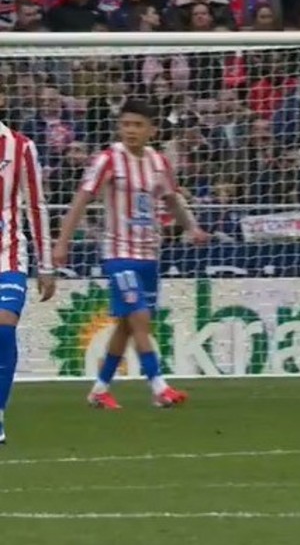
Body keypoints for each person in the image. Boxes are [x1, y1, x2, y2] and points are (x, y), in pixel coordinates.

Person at [52, 99, 204, 410]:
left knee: (127, 324)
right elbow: (81, 200)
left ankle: (99, 390)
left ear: (152, 130)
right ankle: (159, 387)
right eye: (125, 124)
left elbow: (172, 199)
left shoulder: (159, 162)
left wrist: (192, 228)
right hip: (118, 253)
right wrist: (62, 242)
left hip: (149, 254)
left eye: (137, 125)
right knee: (140, 317)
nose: (131, 130)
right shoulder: (108, 159)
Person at [0, 121, 55, 443]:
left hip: (8, 256)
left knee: (4, 327)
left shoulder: (20, 147)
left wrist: (45, 265)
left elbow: (36, 206)